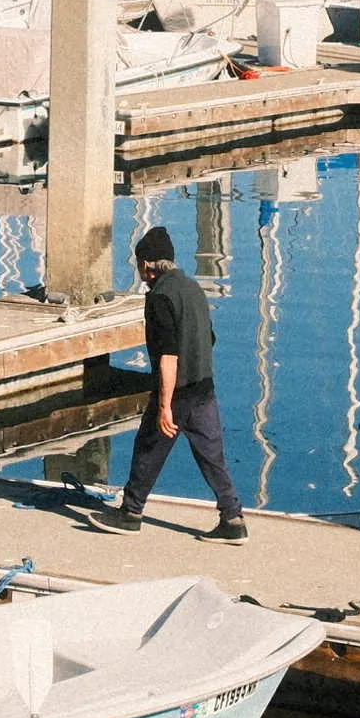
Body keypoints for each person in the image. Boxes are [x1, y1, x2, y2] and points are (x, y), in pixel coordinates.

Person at [89, 224, 244, 541]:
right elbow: (210, 338)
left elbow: (168, 356)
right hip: (204, 387)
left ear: (146, 264)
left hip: (177, 391)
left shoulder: (160, 297)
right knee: (212, 458)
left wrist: (164, 405)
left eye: (138, 264)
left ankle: (130, 514)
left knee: (148, 448)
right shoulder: (193, 289)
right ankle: (233, 519)